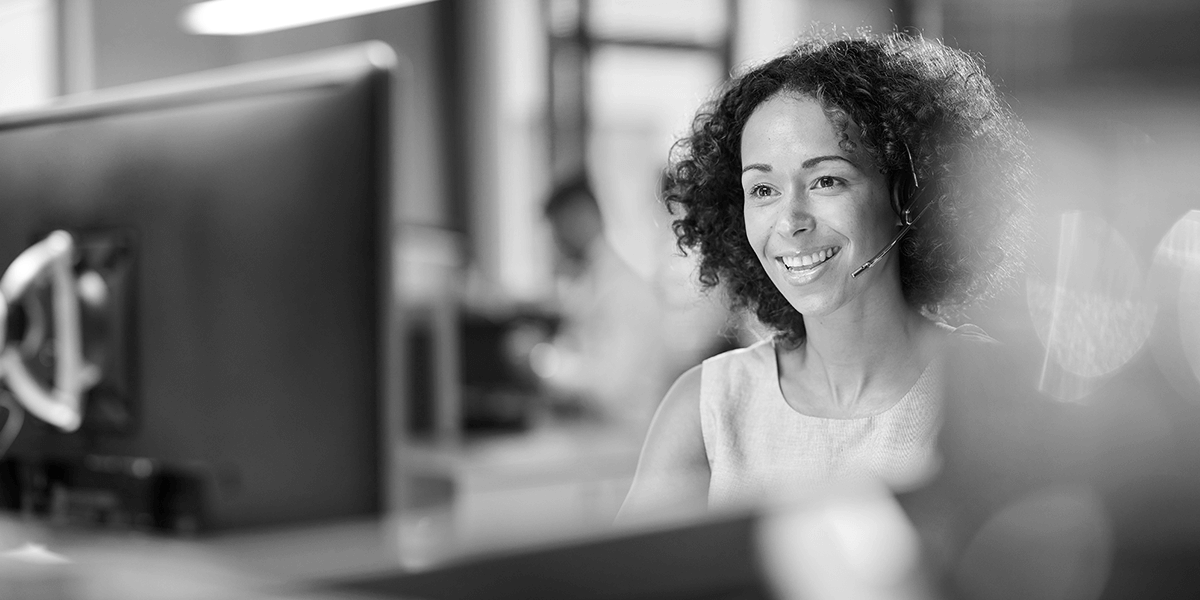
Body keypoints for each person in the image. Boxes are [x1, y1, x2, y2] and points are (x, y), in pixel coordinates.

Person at [617, 32, 1034, 521]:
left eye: (826, 180)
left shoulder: (993, 397)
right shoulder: (706, 409)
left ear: (909, 194)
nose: (791, 221)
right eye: (764, 189)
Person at [537, 174, 669, 435]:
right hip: (596, 433)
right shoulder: (589, 282)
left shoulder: (625, 291)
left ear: (580, 216)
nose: (555, 242)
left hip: (622, 439)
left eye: (557, 228)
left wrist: (543, 364)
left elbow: (611, 388)